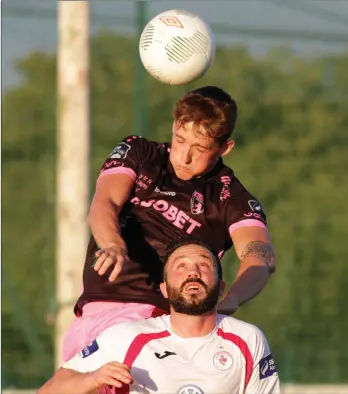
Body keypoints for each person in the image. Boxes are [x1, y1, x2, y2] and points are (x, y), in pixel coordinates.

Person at [63, 86, 276, 362]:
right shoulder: (140, 152)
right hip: (88, 316)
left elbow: (260, 256)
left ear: (225, 148)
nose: (184, 156)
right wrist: (114, 244)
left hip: (152, 323)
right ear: (174, 125)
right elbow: (105, 203)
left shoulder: (230, 197)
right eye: (180, 139)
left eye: (199, 148)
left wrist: (232, 299)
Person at [40, 240, 280, 394]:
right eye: (181, 266)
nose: (193, 272)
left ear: (220, 288)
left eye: (204, 265)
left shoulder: (248, 339)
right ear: (164, 289)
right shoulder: (125, 336)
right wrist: (93, 379)